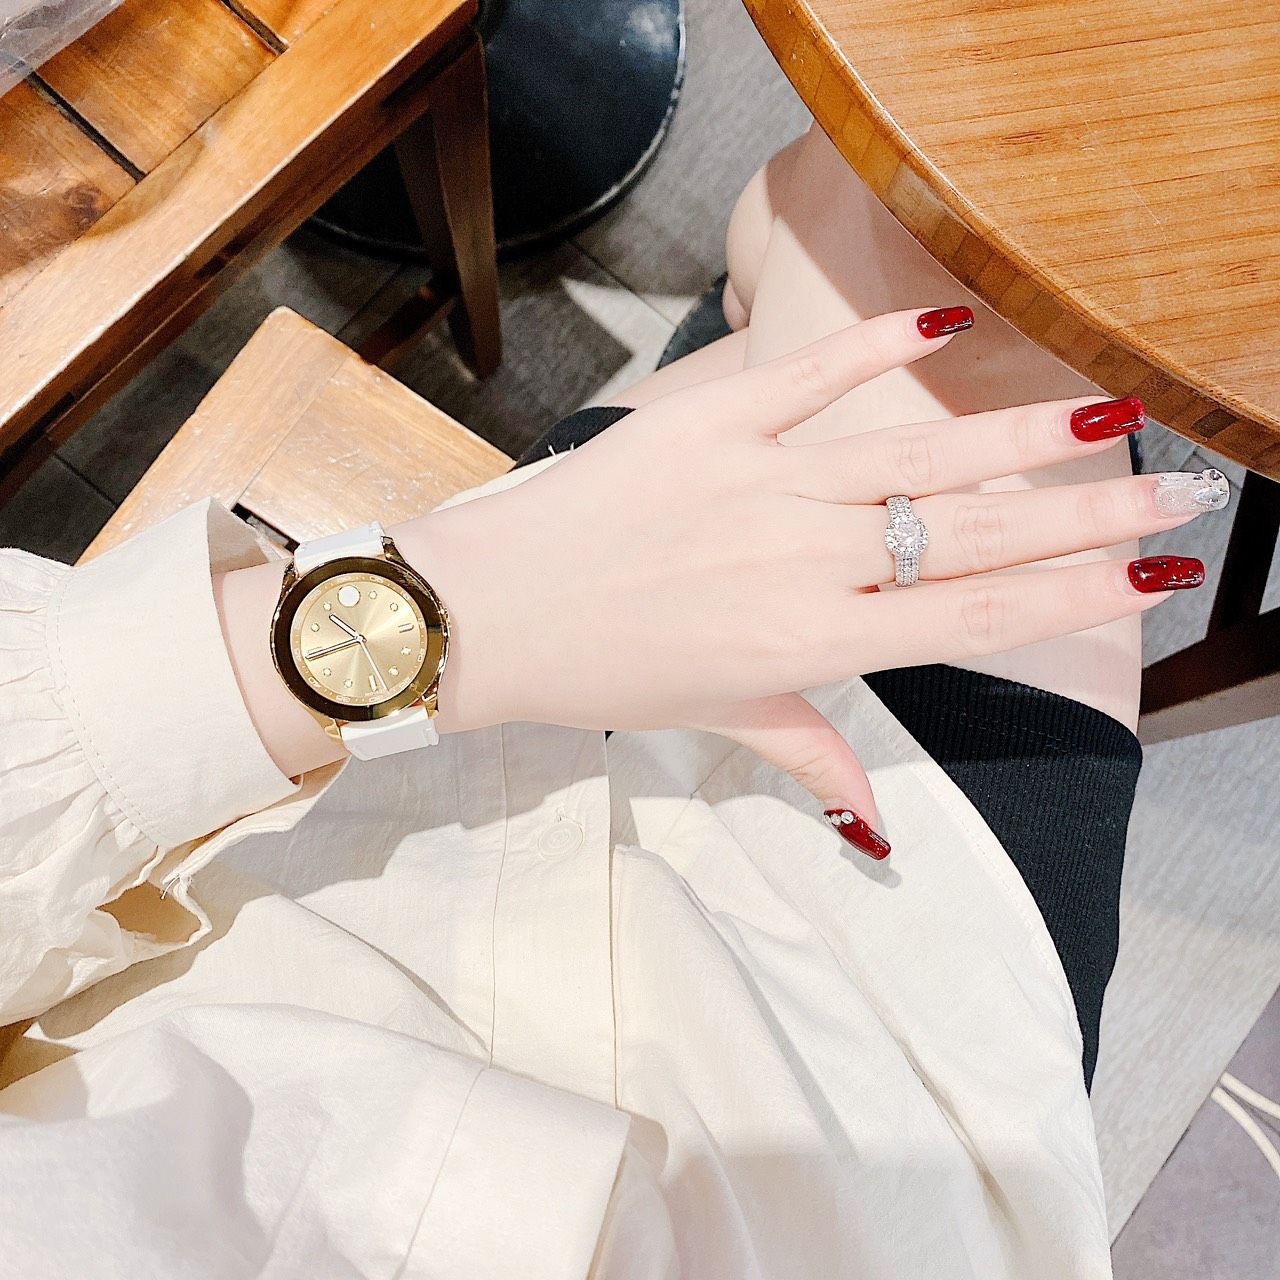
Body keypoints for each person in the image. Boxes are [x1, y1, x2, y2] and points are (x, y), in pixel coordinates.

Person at [0, 127, 1229, 1277]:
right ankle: (753, 276)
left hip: (313, 821)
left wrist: (451, 604)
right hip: (846, 1072)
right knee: (972, 190)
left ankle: (750, 281)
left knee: (845, 235)